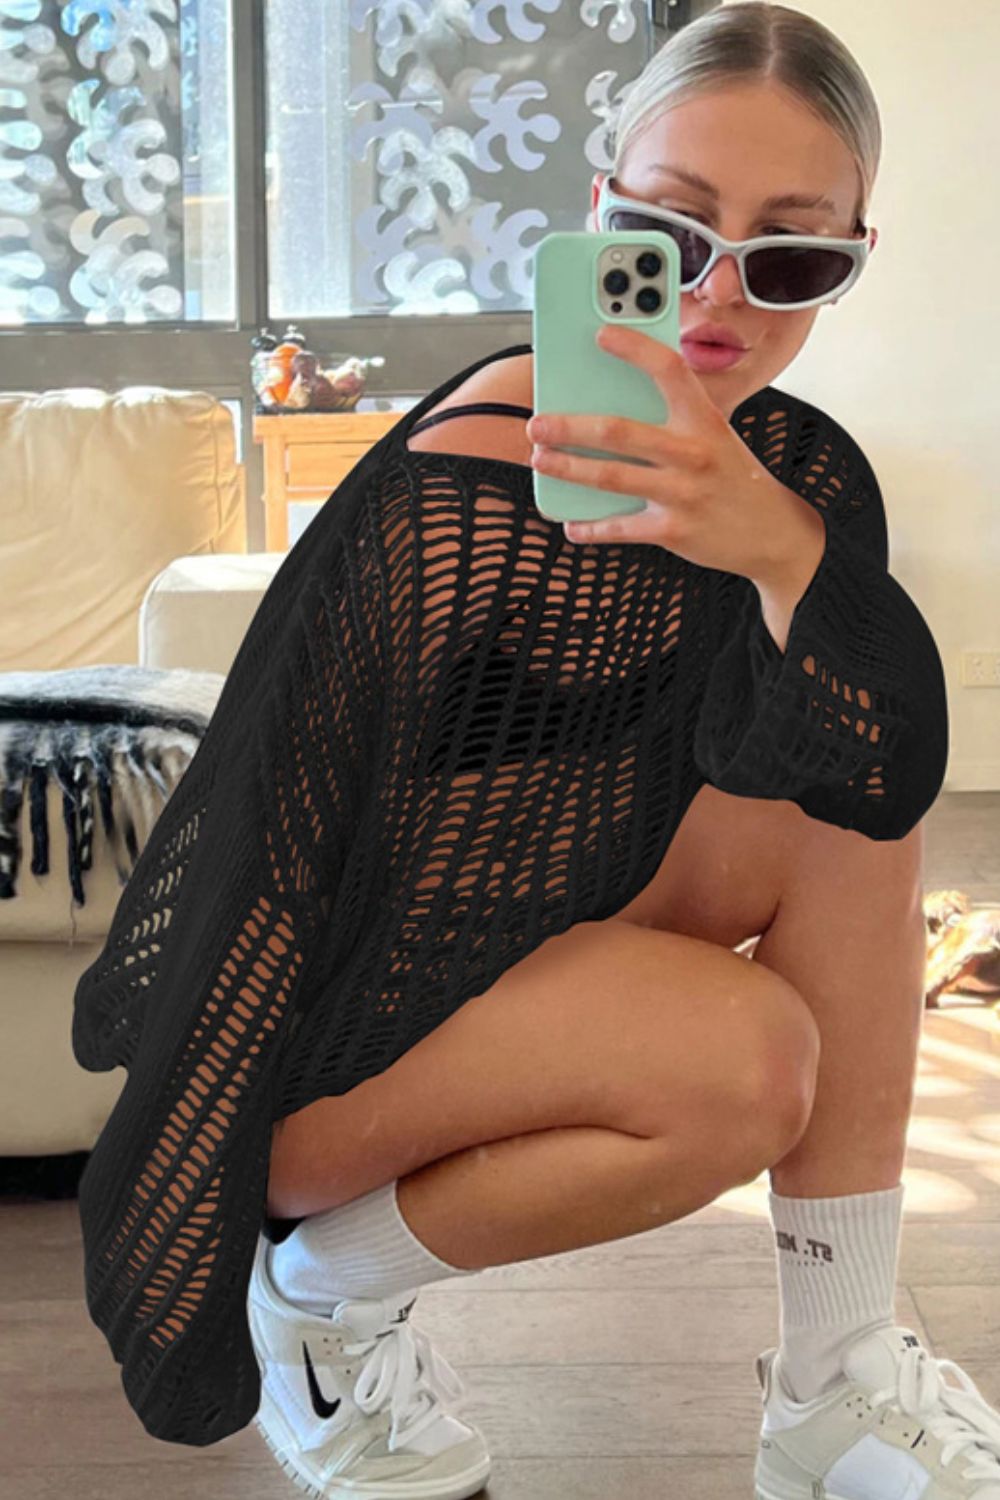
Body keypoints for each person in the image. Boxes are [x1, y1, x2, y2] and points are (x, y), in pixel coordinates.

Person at [228, 5, 973, 1495]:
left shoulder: (802, 482)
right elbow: (300, 858)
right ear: (599, 219)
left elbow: (887, 772)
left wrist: (781, 550)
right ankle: (314, 1299)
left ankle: (835, 1380)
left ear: (851, 262)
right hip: (319, 1051)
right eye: (668, 233)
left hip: (520, 969)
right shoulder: (466, 465)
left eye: (791, 257)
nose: (718, 293)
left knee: (850, 786)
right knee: (746, 1065)